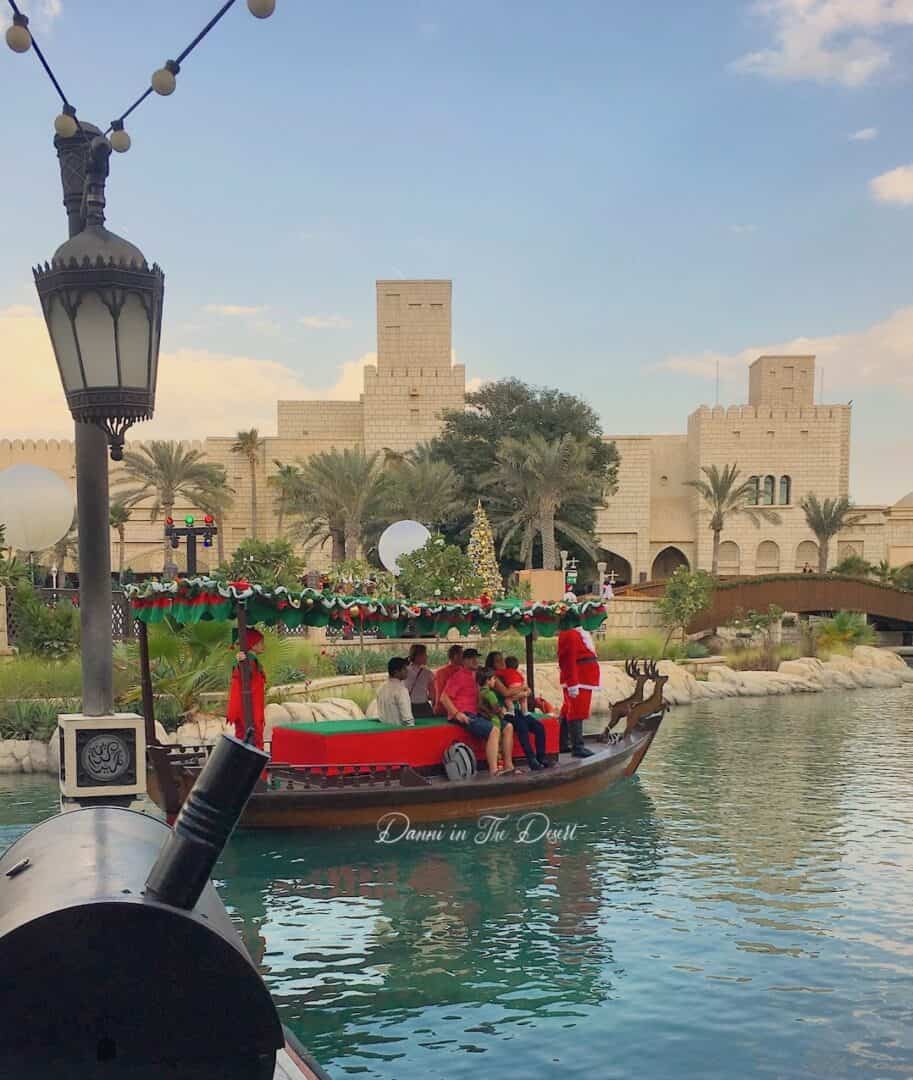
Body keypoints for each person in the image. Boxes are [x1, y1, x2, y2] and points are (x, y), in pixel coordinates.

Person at [439, 649, 503, 775]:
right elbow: (444, 698)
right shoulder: (458, 676)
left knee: (506, 726)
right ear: (463, 661)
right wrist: (457, 714)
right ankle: (494, 770)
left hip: (474, 713)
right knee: (494, 730)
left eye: (476, 658)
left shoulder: (475, 676)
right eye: (471, 658)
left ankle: (507, 764)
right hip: (463, 714)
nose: (475, 661)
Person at [489, 652, 550, 771]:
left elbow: (524, 690)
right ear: (492, 664)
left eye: (502, 659)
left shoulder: (510, 674)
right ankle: (531, 759)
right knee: (522, 726)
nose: (501, 662)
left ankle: (541, 757)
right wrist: (523, 689)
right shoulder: (494, 678)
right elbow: (506, 693)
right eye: (497, 661)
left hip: (516, 709)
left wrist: (525, 692)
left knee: (539, 727)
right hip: (504, 711)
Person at [557, 621, 600, 758]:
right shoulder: (570, 634)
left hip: (583, 678)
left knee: (568, 710)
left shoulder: (577, 633)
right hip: (579, 679)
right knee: (576, 711)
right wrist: (573, 683)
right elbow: (568, 660)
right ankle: (578, 746)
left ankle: (563, 743)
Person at [227, 627, 267, 750]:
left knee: (244, 735)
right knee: (252, 736)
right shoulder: (249, 660)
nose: (263, 646)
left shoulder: (252, 660)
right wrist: (241, 661)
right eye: (260, 642)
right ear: (252, 644)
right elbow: (243, 674)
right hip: (250, 707)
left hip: (250, 705)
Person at [477, 668, 516, 774]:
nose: (495, 681)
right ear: (488, 680)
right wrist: (502, 711)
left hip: (486, 718)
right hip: (494, 720)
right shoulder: (490, 694)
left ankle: (507, 765)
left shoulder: (480, 692)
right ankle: (498, 768)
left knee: (507, 728)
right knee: (497, 743)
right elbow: (496, 708)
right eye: (494, 679)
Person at [376, 657, 414, 727]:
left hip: (383, 731)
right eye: (404, 669)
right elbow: (407, 718)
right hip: (398, 732)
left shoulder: (380, 688)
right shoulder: (401, 690)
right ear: (396, 672)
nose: (407, 671)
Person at [404, 643, 435, 718]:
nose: (427, 656)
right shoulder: (428, 673)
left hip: (408, 707)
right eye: (425, 654)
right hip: (423, 708)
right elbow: (432, 695)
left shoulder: (404, 671)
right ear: (418, 656)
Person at [433, 643, 464, 712]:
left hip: (457, 710)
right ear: (456, 656)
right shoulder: (441, 672)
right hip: (445, 710)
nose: (464, 657)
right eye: (462, 654)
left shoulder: (464, 671)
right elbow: (440, 693)